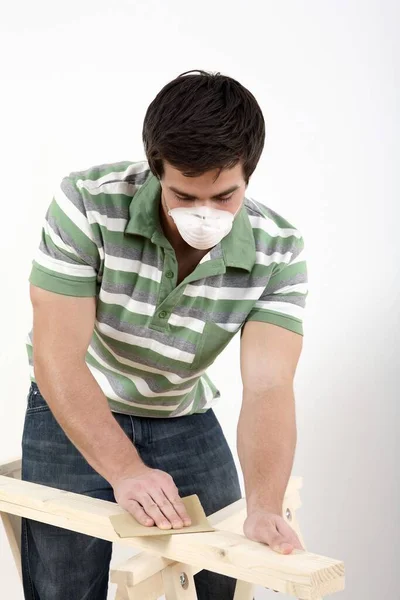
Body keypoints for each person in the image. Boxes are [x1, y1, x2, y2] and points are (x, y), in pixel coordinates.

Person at [21, 69, 308, 600]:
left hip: (183, 412)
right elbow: (57, 359)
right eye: (184, 194)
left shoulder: (279, 249)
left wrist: (264, 505)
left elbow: (270, 385)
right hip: (76, 399)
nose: (204, 214)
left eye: (225, 196)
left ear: (250, 175)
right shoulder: (85, 202)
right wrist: (126, 470)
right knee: (62, 584)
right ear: (156, 170)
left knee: (224, 570)